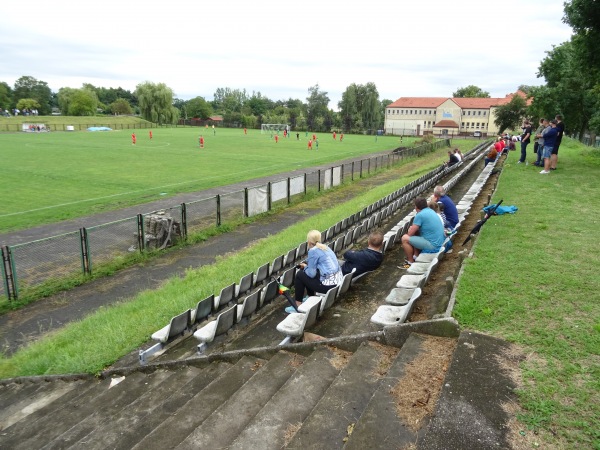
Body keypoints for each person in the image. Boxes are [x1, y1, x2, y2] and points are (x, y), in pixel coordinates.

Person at [290, 230, 342, 312]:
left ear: (309, 242)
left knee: (300, 274)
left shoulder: (312, 251)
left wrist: (305, 266)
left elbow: (311, 274)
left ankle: (297, 305)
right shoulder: (325, 247)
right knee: (307, 273)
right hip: (338, 282)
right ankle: (310, 297)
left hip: (328, 286)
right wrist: (308, 265)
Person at [401, 197, 445, 268]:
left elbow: (410, 234)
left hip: (433, 246)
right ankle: (416, 255)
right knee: (417, 233)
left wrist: (410, 229)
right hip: (440, 242)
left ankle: (410, 262)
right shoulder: (431, 211)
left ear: (416, 207)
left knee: (404, 238)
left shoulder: (420, 215)